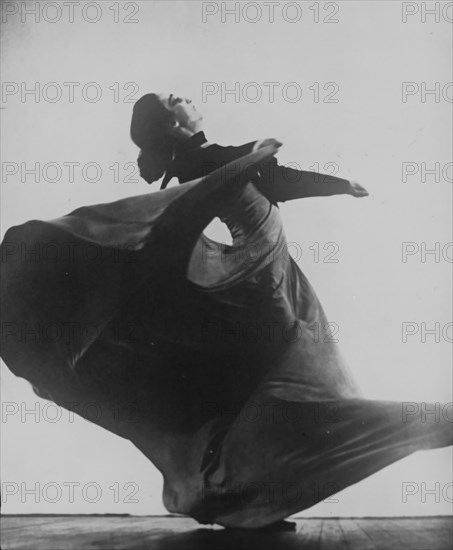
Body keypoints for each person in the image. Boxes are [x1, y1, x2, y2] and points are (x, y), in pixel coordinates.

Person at [1, 94, 451, 531]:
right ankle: (425, 422)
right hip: (257, 275)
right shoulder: (200, 164)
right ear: (174, 124)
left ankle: (257, 504)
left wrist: (338, 186)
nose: (188, 98)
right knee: (289, 381)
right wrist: (245, 163)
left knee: (278, 386)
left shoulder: (210, 156)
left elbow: (277, 182)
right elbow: (193, 206)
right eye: (175, 98)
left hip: (276, 270)